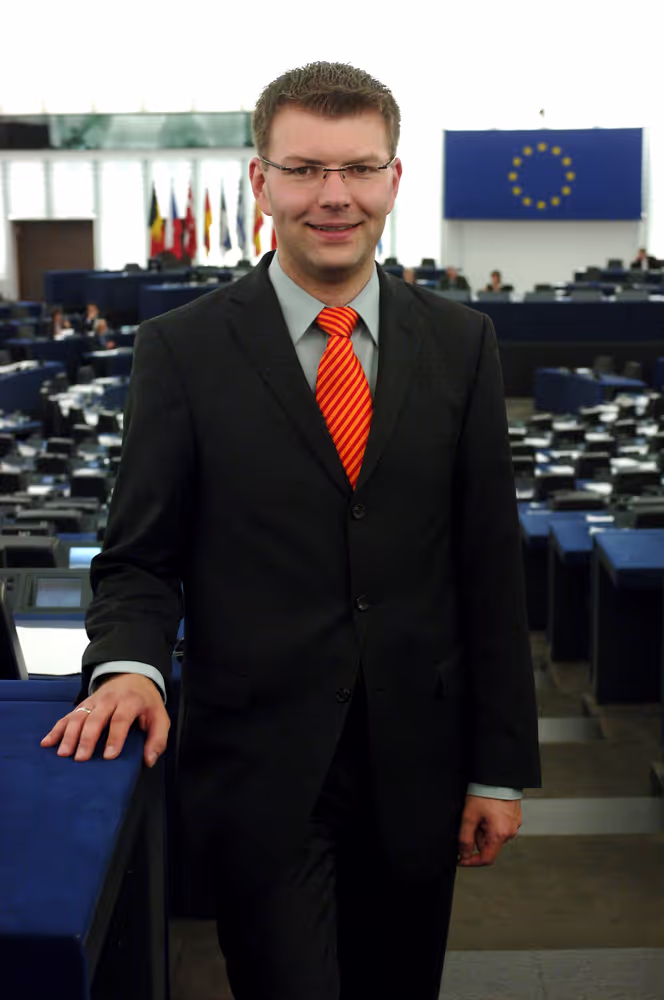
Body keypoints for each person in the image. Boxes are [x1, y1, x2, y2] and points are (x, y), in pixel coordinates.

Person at [41, 61, 541, 1000]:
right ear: (260, 180)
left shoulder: (463, 342)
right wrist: (129, 667)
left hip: (419, 768)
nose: (333, 196)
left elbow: (488, 566)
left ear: (395, 178)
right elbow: (141, 558)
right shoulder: (182, 349)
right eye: (305, 169)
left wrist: (500, 770)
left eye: (358, 168)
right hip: (259, 772)